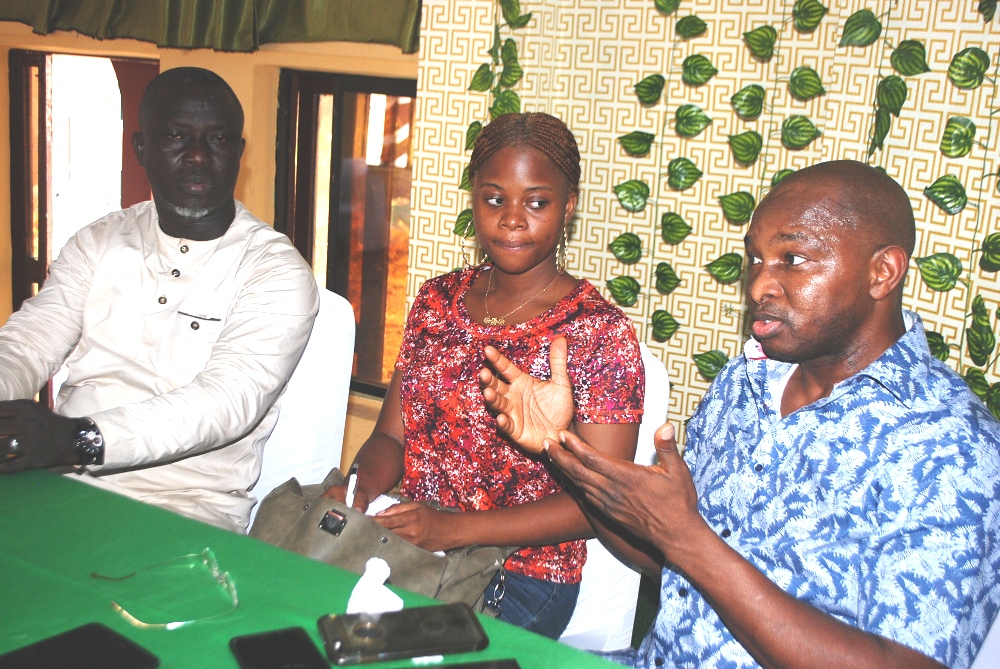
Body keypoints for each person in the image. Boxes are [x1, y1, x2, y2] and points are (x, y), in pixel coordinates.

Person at [481, 160, 1000, 667]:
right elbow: (668, 559)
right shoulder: (745, 381)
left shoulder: (952, 446)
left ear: (882, 272)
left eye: (792, 259)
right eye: (755, 258)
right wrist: (560, 449)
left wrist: (690, 541)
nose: (757, 287)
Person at [323, 112, 644, 638]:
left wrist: (454, 530)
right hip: (409, 540)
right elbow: (390, 436)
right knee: (308, 621)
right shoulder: (435, 300)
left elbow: (600, 504)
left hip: (521, 575)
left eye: (536, 203)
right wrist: (359, 489)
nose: (512, 220)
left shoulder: (599, 332)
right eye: (494, 199)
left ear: (569, 205)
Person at [0, 67, 319, 533]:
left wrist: (78, 439)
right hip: (63, 482)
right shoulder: (98, 242)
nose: (198, 155)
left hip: (186, 508)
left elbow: (225, 402)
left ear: (238, 153)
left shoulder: (274, 269)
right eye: (175, 136)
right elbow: (28, 344)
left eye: (217, 139)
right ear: (141, 148)